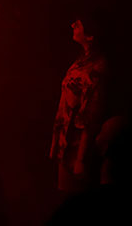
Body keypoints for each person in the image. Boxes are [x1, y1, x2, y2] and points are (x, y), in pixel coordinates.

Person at [51, 15, 110, 193]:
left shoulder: (97, 69)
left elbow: (90, 117)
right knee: (63, 191)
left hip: (76, 147)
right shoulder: (82, 61)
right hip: (66, 142)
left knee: (72, 193)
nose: (73, 25)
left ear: (90, 36)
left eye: (78, 25)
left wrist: (80, 160)